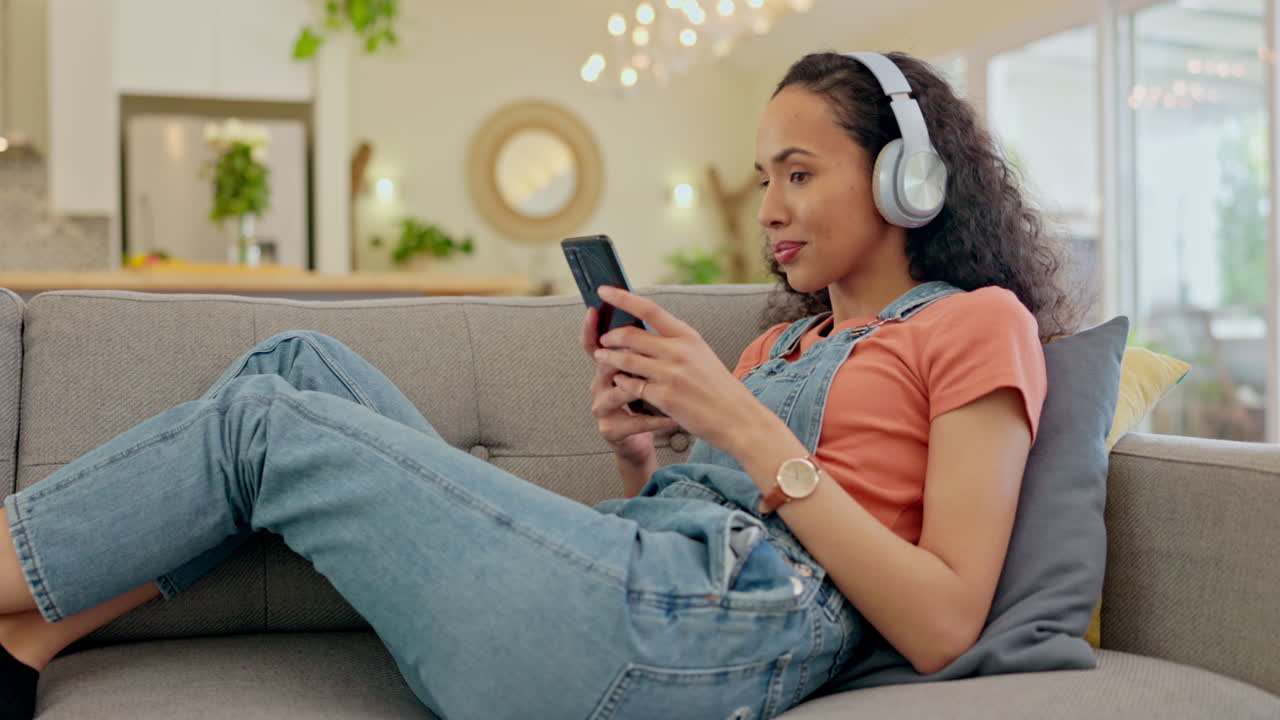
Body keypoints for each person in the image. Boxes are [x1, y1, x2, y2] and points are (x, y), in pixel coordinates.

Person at [0, 50, 1077, 720]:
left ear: (907, 175)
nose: (771, 209)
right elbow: (681, 521)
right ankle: (29, 640)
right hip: (641, 589)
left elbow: (941, 620)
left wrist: (743, 431)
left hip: (716, 632)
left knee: (265, 421)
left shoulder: (975, 325)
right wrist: (640, 455)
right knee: (295, 363)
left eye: (799, 172)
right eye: (764, 180)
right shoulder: (775, 352)